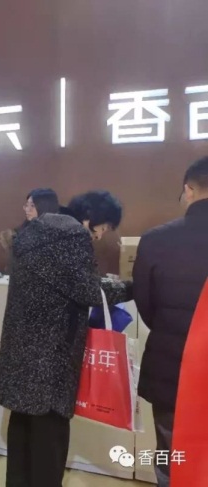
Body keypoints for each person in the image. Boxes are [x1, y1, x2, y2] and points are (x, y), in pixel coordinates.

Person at [0, 190, 133, 487]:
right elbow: (88, 292)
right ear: (91, 218)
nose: (100, 236)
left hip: (20, 351)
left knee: (21, 431)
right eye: (104, 228)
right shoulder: (73, 236)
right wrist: (130, 288)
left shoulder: (32, 230)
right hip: (51, 355)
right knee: (50, 440)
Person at [133, 157, 208, 487]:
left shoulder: (156, 239)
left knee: (171, 455)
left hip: (172, 367)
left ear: (188, 190)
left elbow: (146, 305)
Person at [0, 188, 60, 255]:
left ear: (45, 207)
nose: (27, 209)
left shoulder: (60, 236)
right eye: (27, 205)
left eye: (32, 205)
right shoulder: (17, 235)